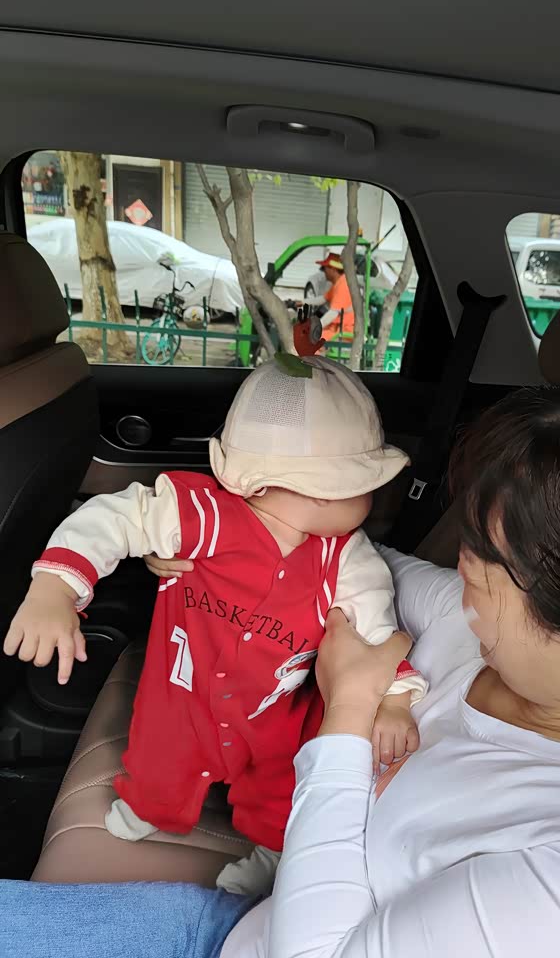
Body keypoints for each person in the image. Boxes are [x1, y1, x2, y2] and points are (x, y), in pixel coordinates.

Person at [4, 367, 560, 958]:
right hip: (239, 923)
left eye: (492, 558)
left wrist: (346, 714)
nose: (463, 566)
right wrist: (212, 549)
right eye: (472, 536)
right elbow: (356, 569)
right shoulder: (485, 637)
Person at [3, 354, 426, 897]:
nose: (371, 499)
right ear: (323, 490)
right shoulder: (202, 514)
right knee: (161, 757)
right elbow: (115, 518)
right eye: (365, 485)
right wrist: (56, 586)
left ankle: (273, 850)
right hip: (184, 690)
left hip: (275, 707)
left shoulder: (347, 559)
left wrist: (395, 701)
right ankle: (150, 808)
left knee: (279, 784)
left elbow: (375, 632)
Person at [304, 252, 355, 341]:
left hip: (344, 332)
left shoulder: (343, 285)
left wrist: (316, 327)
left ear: (333, 269)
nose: (323, 271)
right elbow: (323, 298)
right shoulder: (338, 283)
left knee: (309, 339)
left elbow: (333, 313)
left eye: (324, 268)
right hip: (337, 328)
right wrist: (302, 302)